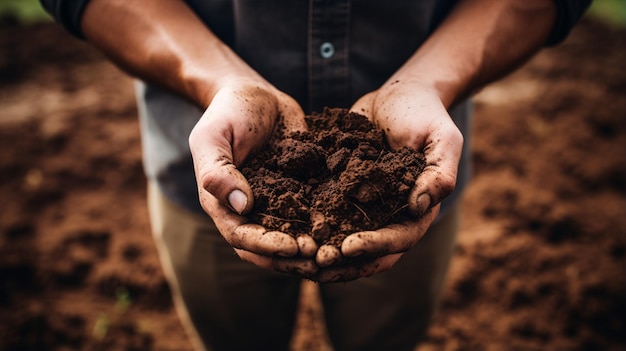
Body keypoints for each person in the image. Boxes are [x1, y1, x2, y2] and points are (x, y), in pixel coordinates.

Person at [41, 0, 591, 350]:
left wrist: (430, 83)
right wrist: (215, 81)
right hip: (209, 169)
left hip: (412, 173)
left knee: (387, 337)